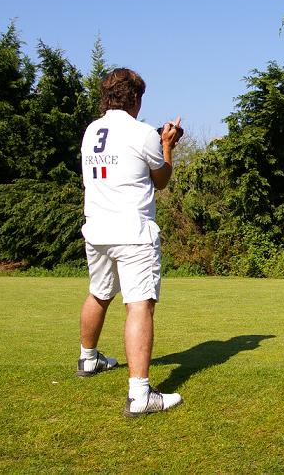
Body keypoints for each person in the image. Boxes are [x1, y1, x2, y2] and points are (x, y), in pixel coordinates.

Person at [75, 67, 184, 417]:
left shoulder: (91, 131)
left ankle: (88, 359)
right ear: (134, 98)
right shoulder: (142, 133)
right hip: (133, 231)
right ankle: (140, 395)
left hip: (97, 228)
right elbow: (162, 180)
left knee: (99, 292)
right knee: (139, 304)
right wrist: (167, 145)